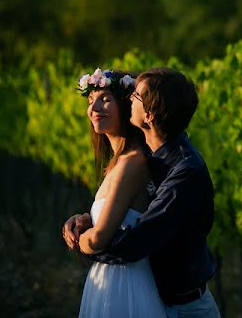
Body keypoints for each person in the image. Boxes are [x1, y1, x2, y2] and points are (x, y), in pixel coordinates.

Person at [63, 67, 221, 318]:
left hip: (185, 308)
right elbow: (131, 210)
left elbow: (136, 241)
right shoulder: (150, 155)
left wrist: (87, 241)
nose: (128, 99)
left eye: (134, 96)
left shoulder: (183, 170)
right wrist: (89, 220)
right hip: (156, 297)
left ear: (149, 115)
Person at [62, 67, 167, 318]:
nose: (94, 108)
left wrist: (78, 241)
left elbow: (99, 239)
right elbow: (116, 218)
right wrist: (82, 220)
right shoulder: (118, 162)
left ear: (125, 104)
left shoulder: (133, 162)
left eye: (105, 99)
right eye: (90, 101)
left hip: (125, 285)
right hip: (110, 279)